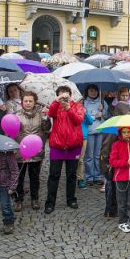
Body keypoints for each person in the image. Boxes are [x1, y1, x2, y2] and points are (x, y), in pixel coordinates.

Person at [45, 86, 85, 214]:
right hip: (57, 146)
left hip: (73, 145)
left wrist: (68, 109)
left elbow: (78, 120)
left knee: (71, 175)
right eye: (60, 95)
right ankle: (50, 202)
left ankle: (71, 199)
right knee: (53, 175)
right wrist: (57, 101)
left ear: (70, 95)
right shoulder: (55, 106)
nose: (63, 97)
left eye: (65, 94)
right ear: (57, 96)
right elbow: (50, 114)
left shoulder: (77, 106)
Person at [14, 91, 50, 212]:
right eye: (26, 101)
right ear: (22, 102)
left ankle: (34, 198)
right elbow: (13, 133)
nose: (28, 103)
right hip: (21, 151)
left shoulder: (41, 114)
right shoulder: (16, 115)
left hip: (36, 150)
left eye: (30, 101)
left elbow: (46, 129)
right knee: (19, 177)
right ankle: (18, 200)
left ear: (35, 102)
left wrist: (46, 117)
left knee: (34, 177)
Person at [100, 102, 130, 218]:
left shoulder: (123, 126)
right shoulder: (113, 127)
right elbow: (105, 147)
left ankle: (118, 207)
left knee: (118, 186)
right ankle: (110, 210)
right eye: (127, 111)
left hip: (118, 162)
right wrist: (107, 163)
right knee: (111, 187)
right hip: (111, 164)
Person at [82, 85, 107, 187]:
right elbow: (83, 117)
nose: (94, 93)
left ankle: (97, 176)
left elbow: (106, 116)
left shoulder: (102, 102)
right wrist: (94, 116)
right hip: (89, 132)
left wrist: (103, 110)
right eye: (91, 91)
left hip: (100, 131)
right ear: (87, 92)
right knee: (89, 156)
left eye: (95, 91)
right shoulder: (84, 103)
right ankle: (89, 177)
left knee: (97, 156)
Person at [0, 142, 19, 234]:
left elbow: (15, 171)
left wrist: (12, 186)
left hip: (5, 184)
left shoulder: (8, 155)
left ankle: (9, 222)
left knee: (5, 205)